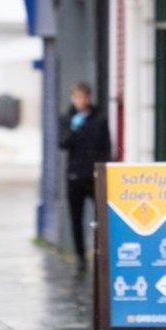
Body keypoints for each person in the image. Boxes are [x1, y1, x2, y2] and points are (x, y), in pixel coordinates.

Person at [59, 82, 111, 274]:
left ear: (89, 98)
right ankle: (80, 256)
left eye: (83, 97)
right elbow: (63, 143)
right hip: (74, 175)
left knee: (101, 214)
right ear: (73, 98)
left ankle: (100, 251)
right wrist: (73, 129)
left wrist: (105, 170)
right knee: (76, 217)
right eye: (77, 97)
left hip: (94, 175)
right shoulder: (67, 118)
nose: (80, 101)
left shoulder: (99, 118)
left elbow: (106, 147)